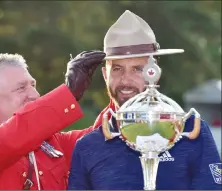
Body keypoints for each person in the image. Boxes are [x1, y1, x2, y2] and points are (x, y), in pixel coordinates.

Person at [68, 10, 221, 190]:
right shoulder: (88, 146)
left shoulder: (190, 131)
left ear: (154, 73)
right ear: (105, 75)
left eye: (137, 69)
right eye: (117, 69)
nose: (125, 81)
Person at [0, 51, 106, 190]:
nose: (35, 94)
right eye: (21, 88)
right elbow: (6, 141)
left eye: (33, 85)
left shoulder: (50, 143)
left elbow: (104, 133)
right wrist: (67, 95)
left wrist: (123, 87)